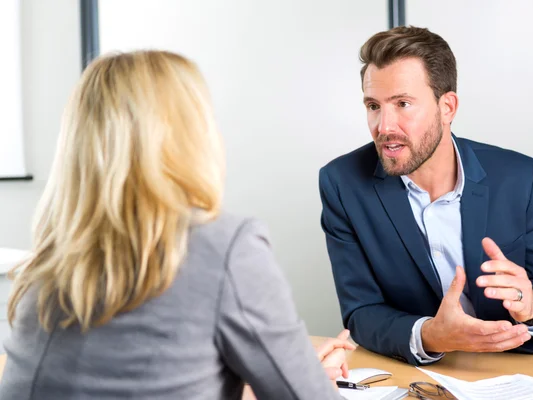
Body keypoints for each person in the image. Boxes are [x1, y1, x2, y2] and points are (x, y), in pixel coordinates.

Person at [0, 50, 352, 399]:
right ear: (189, 135)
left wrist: (261, 380)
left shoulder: (50, 259)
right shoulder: (222, 245)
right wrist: (303, 379)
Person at [319, 26, 533, 366]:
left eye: (402, 104)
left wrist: (532, 304)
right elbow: (361, 310)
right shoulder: (343, 183)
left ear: (447, 107)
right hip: (427, 373)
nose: (384, 126)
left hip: (525, 368)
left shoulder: (520, 177)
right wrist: (430, 335)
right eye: (373, 106)